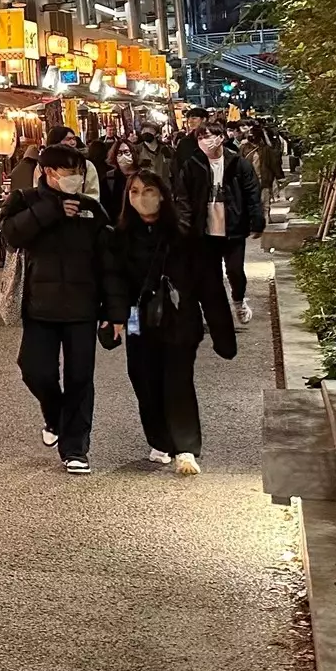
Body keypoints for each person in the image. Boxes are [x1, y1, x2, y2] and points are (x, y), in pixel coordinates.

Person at [1, 144, 130, 475]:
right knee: (35, 370)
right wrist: (53, 211)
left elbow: (110, 266)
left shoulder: (92, 211)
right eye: (67, 173)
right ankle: (54, 414)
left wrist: (116, 313)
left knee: (80, 378)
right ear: (48, 174)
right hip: (39, 308)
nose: (74, 179)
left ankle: (75, 447)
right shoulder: (25, 202)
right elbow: (11, 235)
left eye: (78, 172)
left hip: (83, 310)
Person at [117, 169, 236, 476]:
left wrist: (223, 333)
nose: (141, 198)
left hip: (180, 320)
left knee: (178, 382)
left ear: (162, 195)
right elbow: (112, 282)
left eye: (148, 191)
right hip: (137, 320)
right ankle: (159, 439)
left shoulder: (186, 237)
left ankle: (185, 447)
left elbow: (209, 286)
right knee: (143, 379)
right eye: (134, 192)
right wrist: (111, 319)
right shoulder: (119, 238)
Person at [175, 118, 266, 325]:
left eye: (208, 136)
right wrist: (185, 226)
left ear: (221, 138)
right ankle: (216, 314)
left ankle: (239, 301)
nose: (204, 141)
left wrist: (257, 220)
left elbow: (252, 193)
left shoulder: (238, 163)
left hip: (233, 228)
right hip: (205, 231)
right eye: (200, 137)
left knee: (235, 270)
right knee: (210, 275)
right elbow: (183, 197)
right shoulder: (193, 165)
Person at [46, 126, 102, 198]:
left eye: (74, 139)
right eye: (68, 139)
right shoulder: (43, 165)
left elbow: (93, 195)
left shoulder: (86, 165)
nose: (73, 143)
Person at [99, 138, 139, 226]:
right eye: (119, 153)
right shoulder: (109, 178)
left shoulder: (142, 176)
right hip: (117, 227)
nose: (123, 156)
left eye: (126, 152)